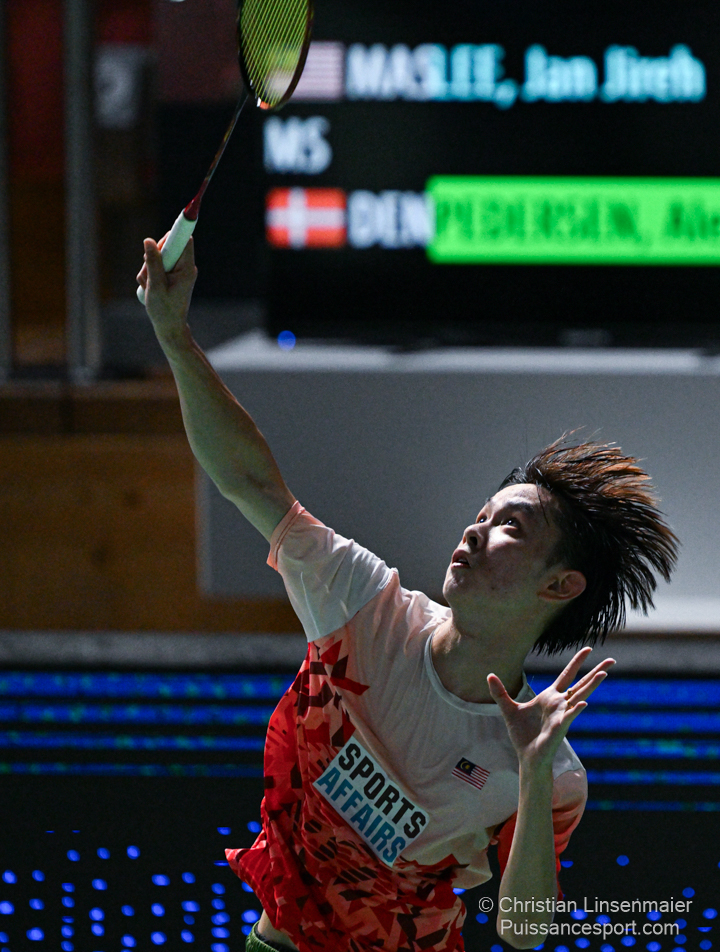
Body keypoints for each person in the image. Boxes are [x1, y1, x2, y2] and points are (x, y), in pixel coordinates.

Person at [137, 236, 679, 952]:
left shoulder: (544, 762)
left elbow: (523, 934)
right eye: (482, 514)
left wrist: (532, 773)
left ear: (560, 585)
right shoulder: (366, 609)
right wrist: (175, 339)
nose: (475, 530)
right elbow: (252, 484)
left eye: (510, 526)